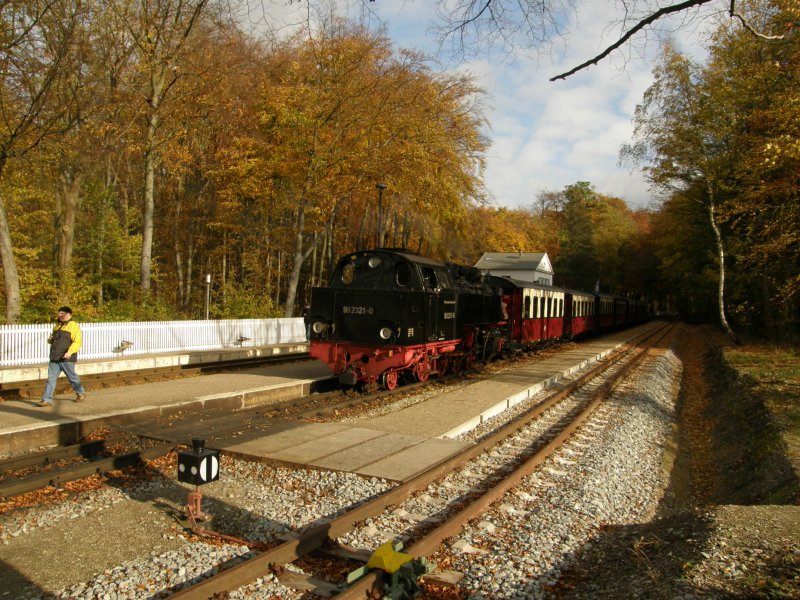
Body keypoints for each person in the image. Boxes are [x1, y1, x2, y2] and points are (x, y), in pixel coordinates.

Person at [38, 306, 87, 407]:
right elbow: (52, 339)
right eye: (59, 313)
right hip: (54, 358)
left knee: (72, 377)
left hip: (67, 358)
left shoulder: (73, 326)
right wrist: (50, 340)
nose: (60, 315)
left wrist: (69, 352)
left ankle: (80, 393)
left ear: (69, 314)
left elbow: (77, 342)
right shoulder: (57, 326)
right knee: (51, 379)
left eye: (62, 313)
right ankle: (46, 400)